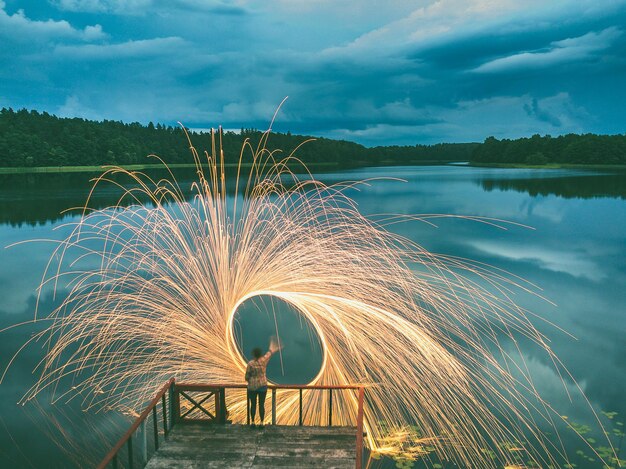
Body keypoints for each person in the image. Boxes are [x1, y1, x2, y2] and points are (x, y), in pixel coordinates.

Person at [245, 337, 281, 428]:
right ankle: (261, 423)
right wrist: (274, 347)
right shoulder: (263, 360)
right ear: (260, 354)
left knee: (253, 405)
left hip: (252, 387)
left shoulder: (250, 364)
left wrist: (250, 379)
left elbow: (246, 377)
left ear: (253, 354)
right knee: (261, 405)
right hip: (262, 387)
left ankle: (252, 422)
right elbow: (269, 353)